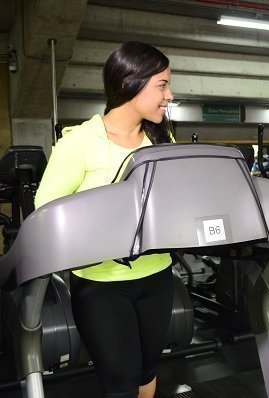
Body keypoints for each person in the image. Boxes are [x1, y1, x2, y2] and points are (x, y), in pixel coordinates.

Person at [34, 41, 175, 398]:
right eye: (162, 85)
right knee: (120, 381)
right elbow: (46, 213)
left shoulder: (161, 139)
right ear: (130, 83)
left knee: (146, 370)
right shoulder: (79, 142)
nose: (169, 95)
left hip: (157, 275)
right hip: (100, 284)